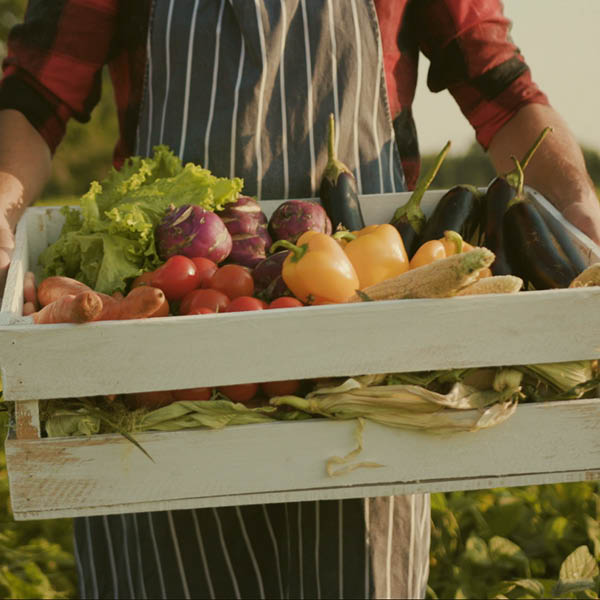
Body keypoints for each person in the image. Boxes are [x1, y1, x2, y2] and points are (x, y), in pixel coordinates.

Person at [1, 1, 599, 598]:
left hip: (367, 378)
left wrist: (580, 210)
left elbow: (500, 85)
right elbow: (35, 95)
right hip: (165, 382)